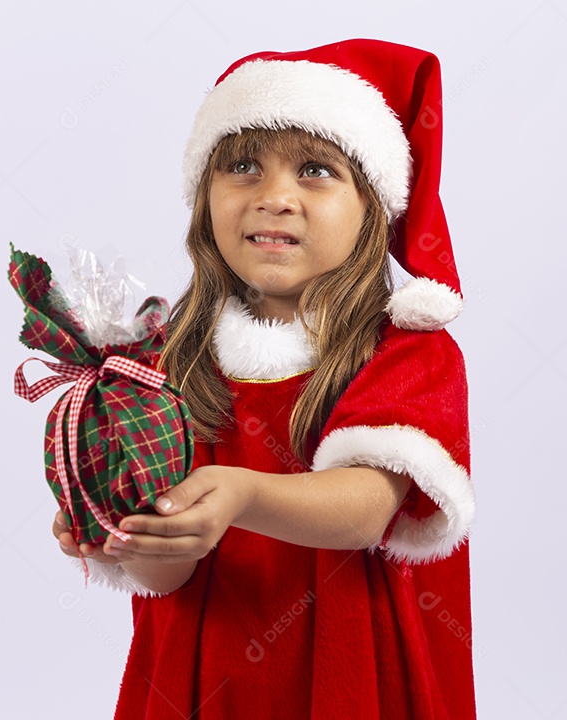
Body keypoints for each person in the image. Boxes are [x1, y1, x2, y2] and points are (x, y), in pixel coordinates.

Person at [52, 38, 477, 719]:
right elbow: (167, 577)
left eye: (315, 170)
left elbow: (367, 508)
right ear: (204, 198)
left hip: (353, 675)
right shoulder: (163, 362)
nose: (275, 197)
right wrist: (126, 532)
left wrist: (240, 493)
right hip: (205, 673)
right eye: (243, 166)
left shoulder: (406, 354)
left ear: (373, 208)